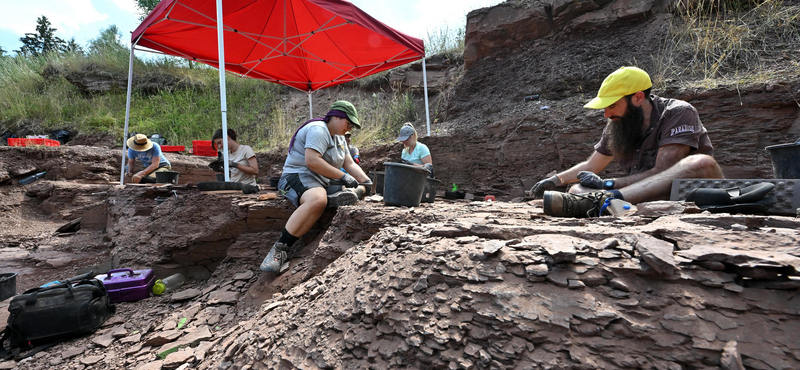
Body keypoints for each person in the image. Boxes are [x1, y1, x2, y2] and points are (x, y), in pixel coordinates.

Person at [529, 66, 723, 217]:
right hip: (640, 196)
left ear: (638, 97)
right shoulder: (618, 122)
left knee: (701, 163)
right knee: (577, 189)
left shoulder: (678, 112)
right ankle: (610, 206)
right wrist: (555, 180)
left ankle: (607, 203)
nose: (606, 113)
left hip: (688, 192)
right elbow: (591, 165)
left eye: (612, 105)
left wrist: (607, 185)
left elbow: (662, 172)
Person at [260, 100, 370, 275]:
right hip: (297, 176)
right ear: (336, 116)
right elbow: (312, 161)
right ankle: (280, 249)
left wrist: (366, 182)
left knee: (340, 192)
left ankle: (335, 197)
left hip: (322, 180)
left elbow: (349, 163)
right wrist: (342, 177)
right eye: (348, 123)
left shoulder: (340, 138)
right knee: (317, 199)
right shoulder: (318, 130)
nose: (349, 129)